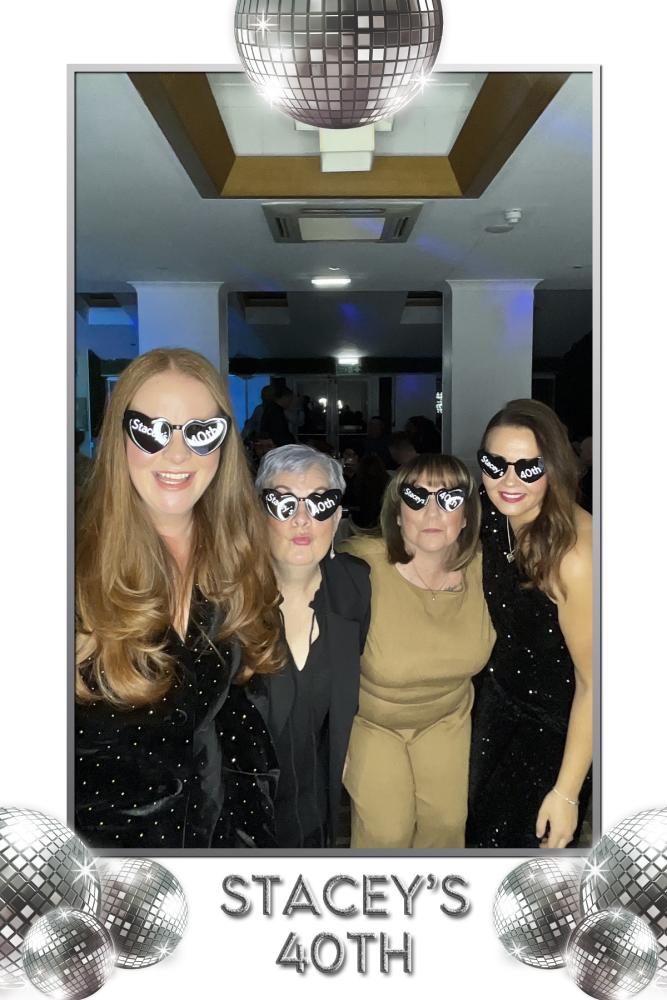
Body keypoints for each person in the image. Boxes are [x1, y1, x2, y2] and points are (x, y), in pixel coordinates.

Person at [75, 348, 284, 849]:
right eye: (151, 431)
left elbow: (237, 725)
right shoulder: (71, 568)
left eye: (199, 432)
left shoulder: (237, 559)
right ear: (120, 438)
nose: (176, 454)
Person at [339, 454, 495, 848]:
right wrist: (329, 740)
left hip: (447, 718)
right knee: (386, 833)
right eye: (417, 497)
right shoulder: (359, 567)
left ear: (466, 515)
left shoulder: (485, 568)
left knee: (447, 825)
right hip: (371, 722)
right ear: (396, 511)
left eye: (449, 499)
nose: (432, 512)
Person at [467, 398, 593, 849]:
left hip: (552, 731)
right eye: (495, 464)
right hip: (495, 705)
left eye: (528, 468)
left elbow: (596, 683)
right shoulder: (492, 516)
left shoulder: (574, 555)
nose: (509, 480)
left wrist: (567, 793)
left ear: (554, 468)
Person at [250, 444, 371, 847]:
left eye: (320, 503)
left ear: (336, 517)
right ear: (259, 515)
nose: (302, 519)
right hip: (237, 821)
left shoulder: (353, 587)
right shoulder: (226, 602)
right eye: (283, 503)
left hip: (315, 814)